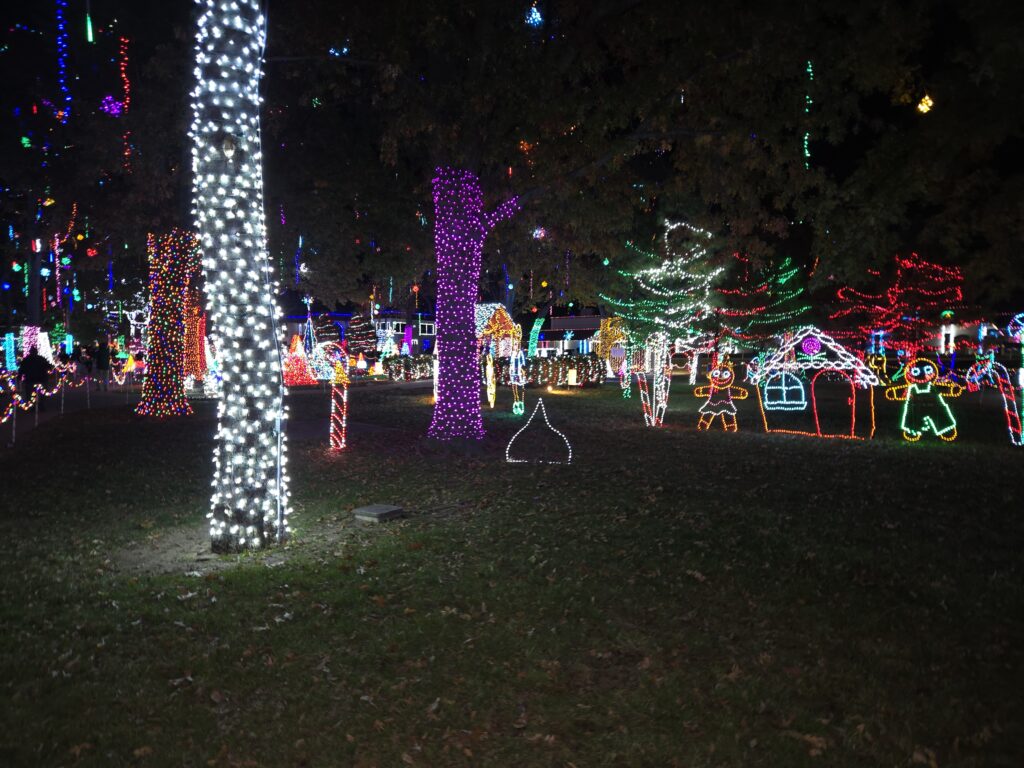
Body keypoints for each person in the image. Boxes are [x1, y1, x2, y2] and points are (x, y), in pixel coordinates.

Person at [18, 346, 53, 410]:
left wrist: (20, 377)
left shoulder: (26, 359)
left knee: (29, 393)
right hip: (40, 379)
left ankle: (32, 406)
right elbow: (48, 366)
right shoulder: (41, 359)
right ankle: (41, 405)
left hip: (30, 379)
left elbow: (21, 369)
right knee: (41, 393)